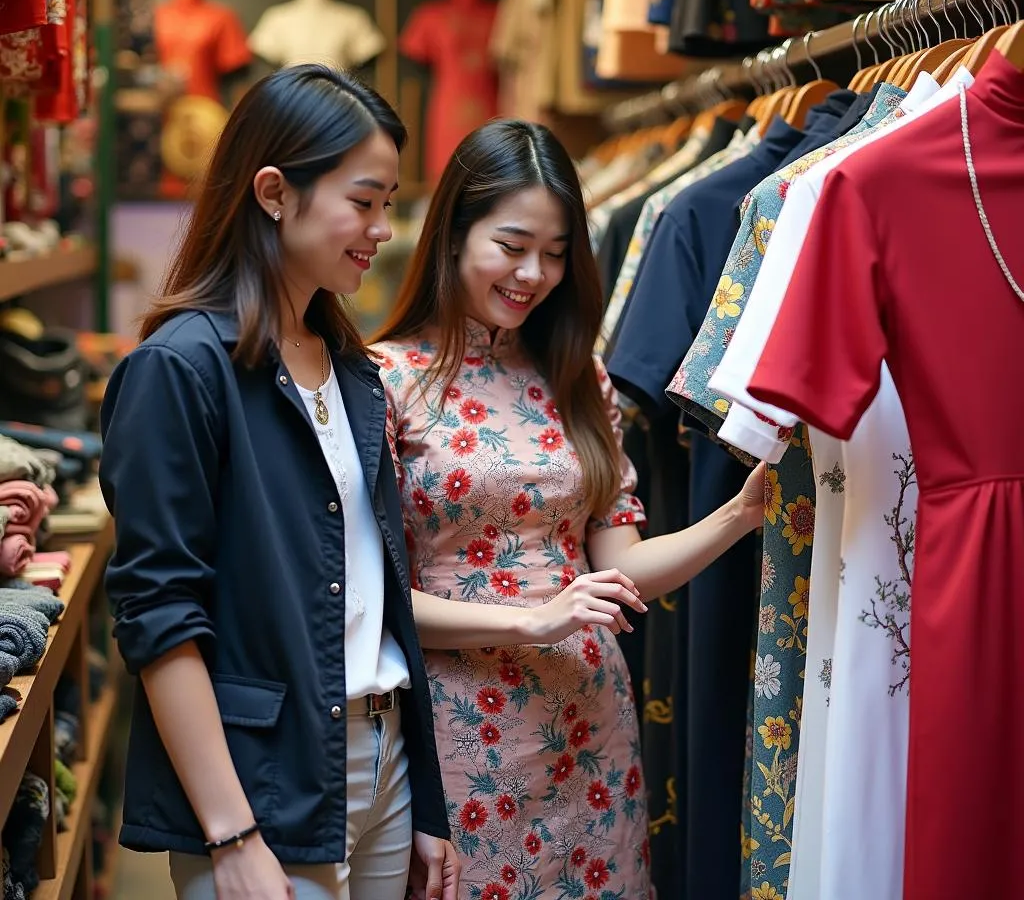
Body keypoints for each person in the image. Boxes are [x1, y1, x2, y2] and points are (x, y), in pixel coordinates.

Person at [371, 119, 766, 899]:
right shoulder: (383, 380)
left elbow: (618, 568)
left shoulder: (576, 374)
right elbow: (371, 600)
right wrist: (533, 619)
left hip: (590, 726)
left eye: (555, 253)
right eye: (512, 245)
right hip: (458, 735)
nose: (534, 273)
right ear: (453, 233)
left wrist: (740, 515)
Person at [98, 65, 459, 900]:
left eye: (389, 203)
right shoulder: (180, 370)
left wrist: (424, 798)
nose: (382, 228)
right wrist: (230, 834)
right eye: (363, 202)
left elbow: (379, 591)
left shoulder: (350, 370)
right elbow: (158, 615)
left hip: (385, 757)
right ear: (273, 192)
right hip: (263, 774)